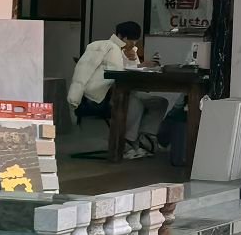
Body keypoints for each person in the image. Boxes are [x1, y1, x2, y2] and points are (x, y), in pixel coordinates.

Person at [68, 21, 176, 160]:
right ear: (120, 36)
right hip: (103, 96)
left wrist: (138, 64)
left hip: (125, 92)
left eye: (134, 41)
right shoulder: (105, 47)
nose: (132, 44)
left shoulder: (130, 51)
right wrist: (140, 65)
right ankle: (127, 142)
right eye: (129, 40)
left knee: (160, 103)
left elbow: (130, 75)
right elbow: (111, 73)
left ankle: (144, 137)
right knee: (134, 100)